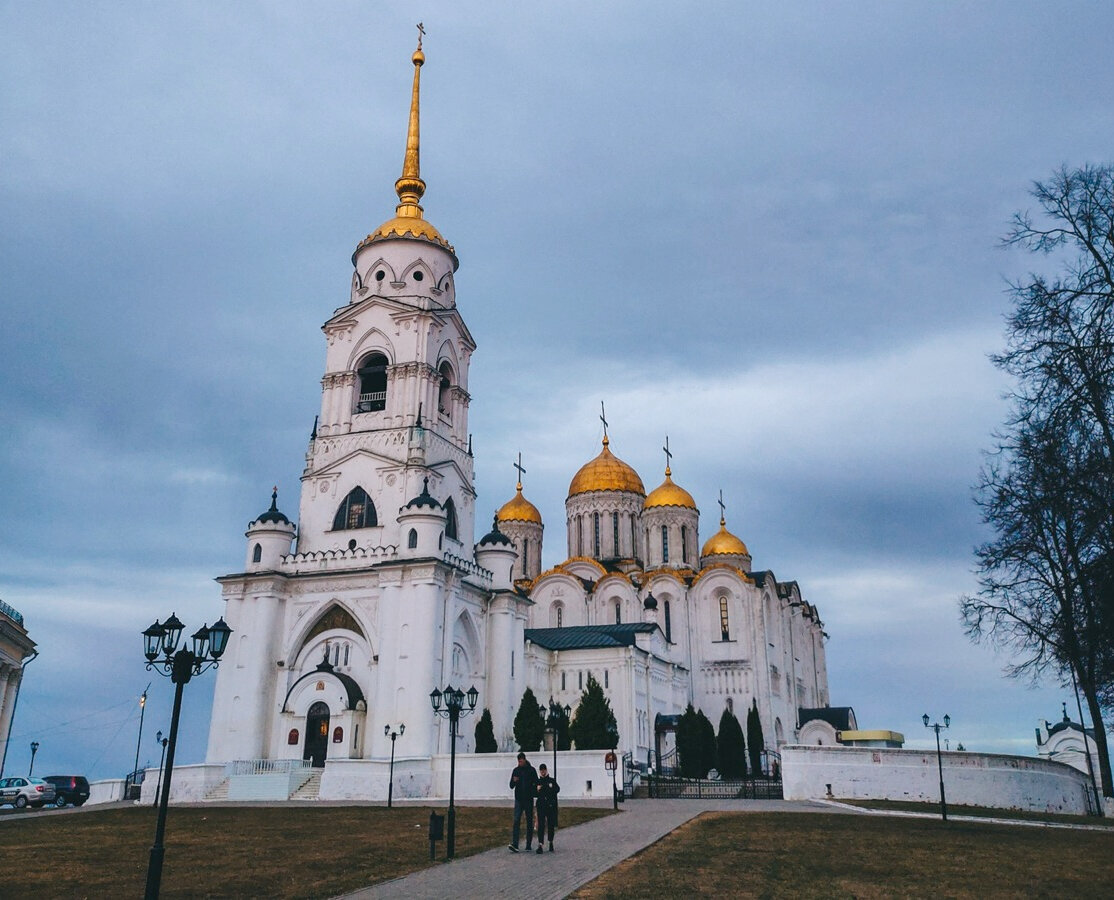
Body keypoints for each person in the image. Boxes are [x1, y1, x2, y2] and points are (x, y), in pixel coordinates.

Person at [508, 751, 538, 852]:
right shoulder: (516, 771)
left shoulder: (531, 770)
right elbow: (511, 785)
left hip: (528, 799)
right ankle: (515, 844)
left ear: (525, 760)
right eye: (518, 761)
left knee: (529, 821)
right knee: (516, 820)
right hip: (519, 799)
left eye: (521, 761)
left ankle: (528, 844)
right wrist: (514, 781)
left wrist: (533, 792)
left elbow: (536, 783)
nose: (519, 763)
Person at [535, 762, 560, 853]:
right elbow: (535, 793)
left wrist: (551, 787)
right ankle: (540, 844)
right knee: (541, 825)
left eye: (544, 770)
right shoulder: (538, 782)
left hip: (550, 806)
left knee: (550, 824)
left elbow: (557, 789)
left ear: (546, 770)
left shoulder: (551, 780)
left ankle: (550, 841)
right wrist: (537, 789)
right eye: (541, 770)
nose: (543, 772)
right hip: (541, 806)